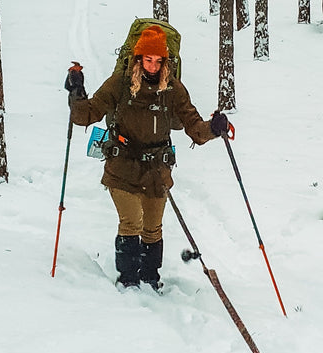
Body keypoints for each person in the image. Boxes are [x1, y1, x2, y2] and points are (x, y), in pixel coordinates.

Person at [65, 24, 230, 291]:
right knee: (132, 222)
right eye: (147, 60)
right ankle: (128, 281)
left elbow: (194, 127)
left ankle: (151, 279)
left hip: (157, 171)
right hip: (122, 166)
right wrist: (76, 92)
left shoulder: (173, 89)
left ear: (165, 61)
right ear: (138, 59)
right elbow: (86, 114)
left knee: (153, 228)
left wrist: (213, 127)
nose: (152, 66)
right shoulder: (119, 83)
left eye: (157, 61)